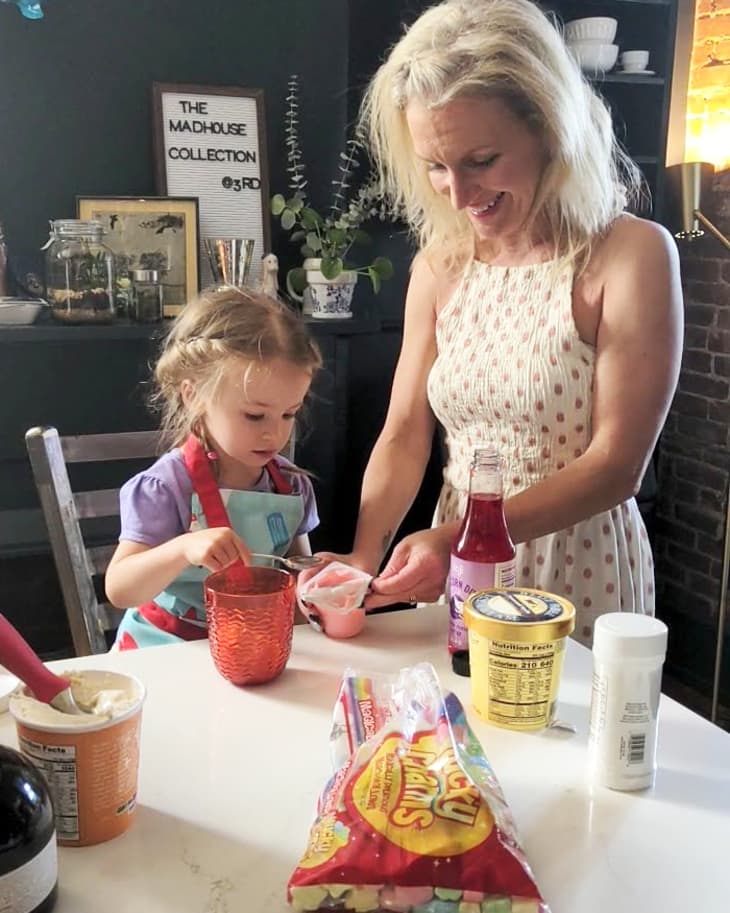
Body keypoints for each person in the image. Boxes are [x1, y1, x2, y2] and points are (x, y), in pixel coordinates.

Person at [316, 0, 683, 645]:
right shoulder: (441, 265)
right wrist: (364, 555)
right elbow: (405, 431)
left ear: (548, 130)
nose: (456, 194)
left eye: (481, 160)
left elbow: (616, 466)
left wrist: (461, 536)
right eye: (434, 165)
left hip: (577, 566)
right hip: (459, 567)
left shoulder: (630, 253)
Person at [105, 286, 322, 649]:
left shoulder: (291, 486)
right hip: (163, 649)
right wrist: (183, 549)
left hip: (248, 645)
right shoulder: (167, 487)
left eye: (289, 414)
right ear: (194, 395)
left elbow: (298, 575)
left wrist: (319, 583)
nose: (275, 433)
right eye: (254, 415)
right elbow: (119, 588)